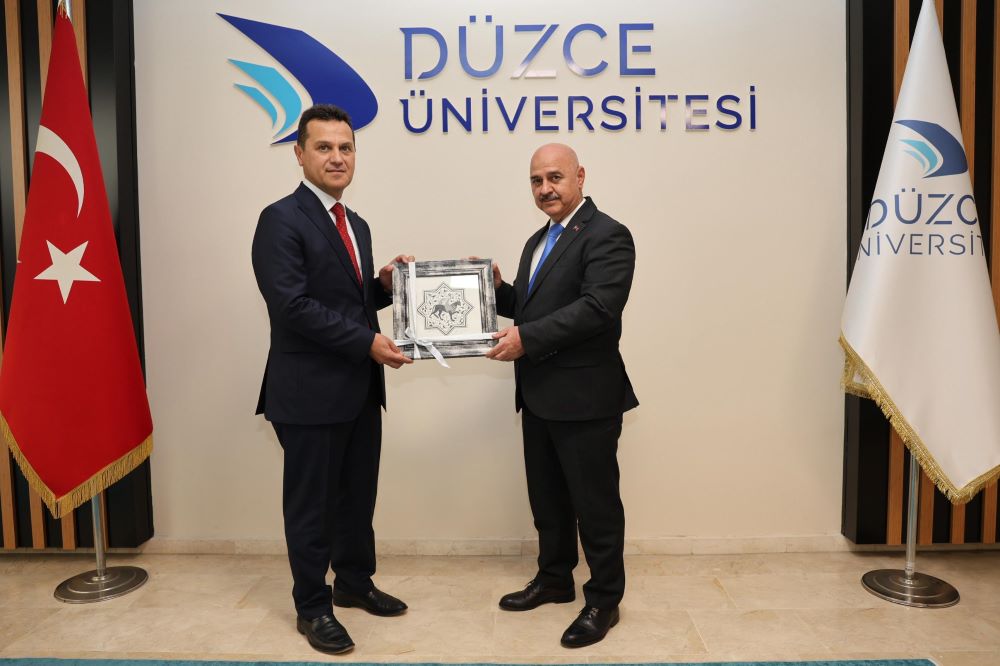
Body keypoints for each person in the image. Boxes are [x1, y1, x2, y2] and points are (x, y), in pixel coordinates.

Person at [251, 104, 413, 656]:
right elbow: (292, 305)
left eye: (346, 148)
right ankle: (313, 607)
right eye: (324, 147)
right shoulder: (280, 219)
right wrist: (367, 342)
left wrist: (384, 287)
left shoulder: (355, 223)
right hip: (309, 393)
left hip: (359, 390)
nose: (337, 157)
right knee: (312, 507)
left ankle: (354, 583)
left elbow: (347, 300)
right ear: (299, 154)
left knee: (356, 498)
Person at [486, 143, 638, 648]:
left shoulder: (608, 234)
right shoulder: (539, 240)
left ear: (580, 177)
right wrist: (497, 289)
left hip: (586, 397)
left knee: (595, 506)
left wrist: (526, 339)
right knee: (547, 500)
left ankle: (604, 600)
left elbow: (598, 307)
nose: (545, 188)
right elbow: (531, 308)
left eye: (555, 177)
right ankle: (554, 579)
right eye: (537, 180)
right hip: (539, 395)